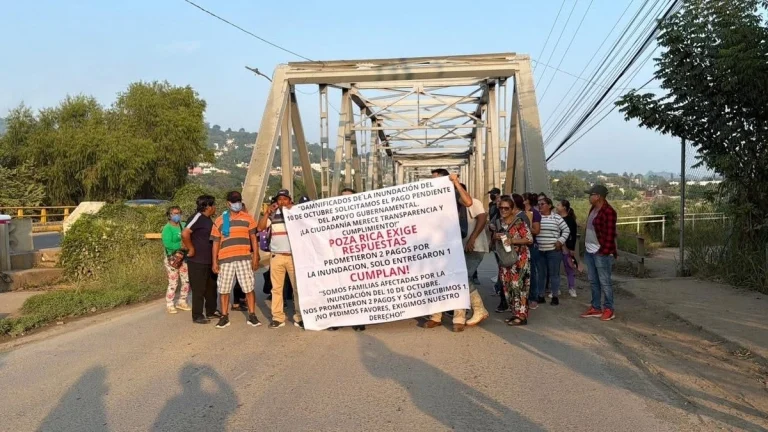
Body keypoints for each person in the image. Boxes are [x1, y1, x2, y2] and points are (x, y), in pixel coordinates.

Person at [424, 183, 490, 332]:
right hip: (454, 250)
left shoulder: (473, 203)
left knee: (461, 279)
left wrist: (472, 239)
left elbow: (482, 218)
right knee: (442, 279)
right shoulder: (447, 209)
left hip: (474, 247)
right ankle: (436, 316)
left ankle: (470, 313)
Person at [210, 191, 261, 329]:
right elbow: (215, 242)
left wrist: (255, 256)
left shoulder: (248, 218)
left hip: (244, 258)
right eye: (234, 201)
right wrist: (214, 261)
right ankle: (224, 316)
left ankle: (252, 315)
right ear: (228, 203)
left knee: (249, 287)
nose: (236, 204)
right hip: (225, 259)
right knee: (224, 289)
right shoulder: (220, 220)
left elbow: (253, 239)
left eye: (238, 201)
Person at [258, 189, 303, 329]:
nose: (282, 202)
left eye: (285, 199)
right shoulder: (273, 216)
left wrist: (294, 210)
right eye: (279, 199)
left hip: (293, 257)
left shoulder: (296, 214)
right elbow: (260, 227)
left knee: (297, 288)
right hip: (276, 256)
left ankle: (300, 316)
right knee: (276, 289)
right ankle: (278, 317)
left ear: (290, 200)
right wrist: (267, 213)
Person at [329, 188, 366, 332]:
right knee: (339, 288)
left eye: (348, 197)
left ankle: (360, 319)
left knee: (358, 290)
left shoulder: (362, 215)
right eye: (343, 197)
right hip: (338, 258)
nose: (345, 199)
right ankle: (338, 318)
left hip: (357, 258)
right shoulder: (333, 216)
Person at [493, 194, 533, 326]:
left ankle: (522, 316)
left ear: (512, 209)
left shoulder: (519, 222)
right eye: (501, 208)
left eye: (506, 208)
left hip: (519, 260)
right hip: (505, 259)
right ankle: (515, 313)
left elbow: (529, 239)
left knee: (519, 287)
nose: (503, 210)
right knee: (508, 287)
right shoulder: (500, 222)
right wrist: (496, 236)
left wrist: (512, 240)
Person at [580, 185, 618, 321]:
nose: (589, 197)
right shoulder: (593, 209)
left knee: (605, 282)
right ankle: (596, 307)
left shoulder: (609, 212)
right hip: (590, 251)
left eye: (591, 195)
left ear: (598, 197)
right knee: (593, 281)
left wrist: (604, 252)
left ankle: (609, 308)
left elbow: (610, 235)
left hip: (600, 252)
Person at [182, 195, 220, 324]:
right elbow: (185, 233)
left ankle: (211, 310)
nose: (215, 208)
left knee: (211, 287)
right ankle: (197, 315)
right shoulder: (197, 217)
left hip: (209, 260)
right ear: (208, 207)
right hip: (197, 260)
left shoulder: (209, 220)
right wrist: (191, 249)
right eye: (214, 205)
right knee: (199, 288)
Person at [536, 197, 570, 306]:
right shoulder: (536, 217)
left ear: (549, 205)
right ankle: (540, 295)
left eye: (542, 204)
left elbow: (566, 230)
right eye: (539, 204)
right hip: (540, 250)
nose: (540, 206)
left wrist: (560, 241)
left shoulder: (556, 218)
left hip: (553, 250)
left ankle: (555, 296)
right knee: (541, 274)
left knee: (554, 274)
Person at [161, 206, 191, 314]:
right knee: (173, 282)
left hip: (183, 257)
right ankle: (170, 303)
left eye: (178, 213)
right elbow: (167, 244)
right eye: (174, 213)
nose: (176, 215)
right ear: (169, 215)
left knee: (186, 280)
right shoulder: (167, 228)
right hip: (172, 258)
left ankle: (182, 300)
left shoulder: (183, 225)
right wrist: (181, 245)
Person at [556, 200, 579, 298]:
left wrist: (572, 248)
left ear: (564, 207)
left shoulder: (570, 220)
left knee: (569, 268)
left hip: (566, 247)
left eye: (558, 205)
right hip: (556, 247)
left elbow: (573, 235)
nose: (556, 206)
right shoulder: (555, 218)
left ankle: (572, 288)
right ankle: (556, 288)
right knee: (555, 269)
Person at [524, 193, 543, 308]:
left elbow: (536, 231)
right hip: (520, 244)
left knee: (532, 272)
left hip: (531, 245)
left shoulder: (534, 213)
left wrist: (525, 226)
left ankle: (533, 297)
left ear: (527, 201)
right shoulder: (518, 211)